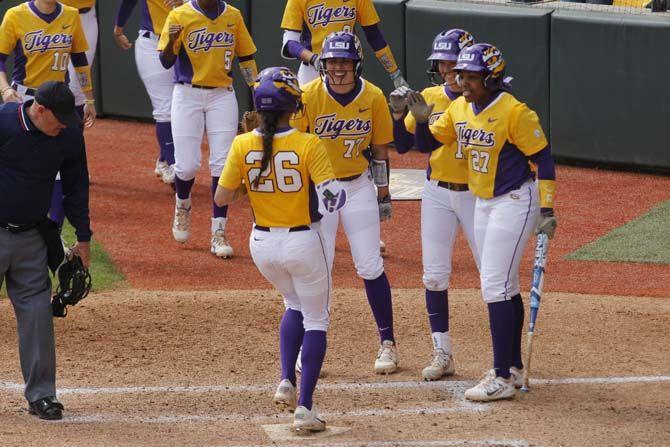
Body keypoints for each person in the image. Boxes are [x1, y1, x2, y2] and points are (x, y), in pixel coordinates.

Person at [407, 43, 558, 401]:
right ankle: (514, 366)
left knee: (494, 285)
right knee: (505, 285)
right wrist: (420, 120)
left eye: (471, 77)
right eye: (460, 75)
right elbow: (429, 143)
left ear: (491, 79)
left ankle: (501, 376)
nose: (463, 82)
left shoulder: (514, 111)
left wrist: (548, 210)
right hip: (484, 202)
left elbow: (545, 159)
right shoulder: (459, 107)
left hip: (515, 200)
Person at [215, 67, 346, 433]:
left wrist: (254, 179)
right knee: (317, 319)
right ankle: (304, 407)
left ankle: (286, 379)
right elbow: (333, 199)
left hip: (262, 246)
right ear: (292, 106)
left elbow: (221, 196)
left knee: (293, 305)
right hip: (303, 241)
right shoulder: (308, 143)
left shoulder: (242, 144)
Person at [292, 31, 399, 374]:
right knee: (317, 269)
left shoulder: (374, 96)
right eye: (333, 61)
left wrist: (383, 194)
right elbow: (295, 147)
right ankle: (311, 346)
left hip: (357, 187)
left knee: (369, 265)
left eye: (344, 62)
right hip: (320, 190)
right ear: (323, 64)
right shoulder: (307, 95)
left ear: (356, 64)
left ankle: (388, 343)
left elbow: (380, 151)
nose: (338, 68)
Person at [389, 29, 480, 381]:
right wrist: (399, 118)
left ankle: (505, 357)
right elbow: (404, 147)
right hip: (438, 192)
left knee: (492, 276)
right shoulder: (427, 95)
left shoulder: (485, 100)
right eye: (441, 61)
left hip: (477, 194)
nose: (445, 68)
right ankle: (442, 352)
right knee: (434, 275)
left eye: (451, 61)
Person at [0, 81, 92, 420]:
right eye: (60, 119)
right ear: (39, 110)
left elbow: (76, 184)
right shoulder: (4, 123)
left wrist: (83, 238)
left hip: (32, 238)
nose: (65, 125)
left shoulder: (67, 135)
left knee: (38, 315)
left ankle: (42, 395)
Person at [158, 0, 258, 258]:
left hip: (222, 95)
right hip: (186, 94)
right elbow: (166, 62)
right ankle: (183, 204)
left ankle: (219, 231)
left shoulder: (233, 16)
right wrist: (171, 41)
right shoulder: (179, 15)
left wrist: (257, 94)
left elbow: (246, 58)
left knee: (222, 164)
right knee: (186, 165)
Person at [0, 0, 96, 232]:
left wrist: (89, 98)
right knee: (21, 166)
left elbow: (79, 60)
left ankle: (54, 231)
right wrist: (4, 89)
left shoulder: (71, 15)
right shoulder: (15, 15)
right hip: (23, 100)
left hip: (59, 102)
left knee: (61, 166)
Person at [114, 0, 184, 185]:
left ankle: (163, 157)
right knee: (165, 108)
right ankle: (171, 163)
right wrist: (118, 27)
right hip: (153, 43)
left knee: (186, 107)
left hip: (188, 42)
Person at [280, 0, 408, 89]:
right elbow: (289, 44)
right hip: (313, 69)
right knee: (306, 119)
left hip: (348, 66)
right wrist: (315, 59)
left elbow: (374, 36)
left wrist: (394, 73)